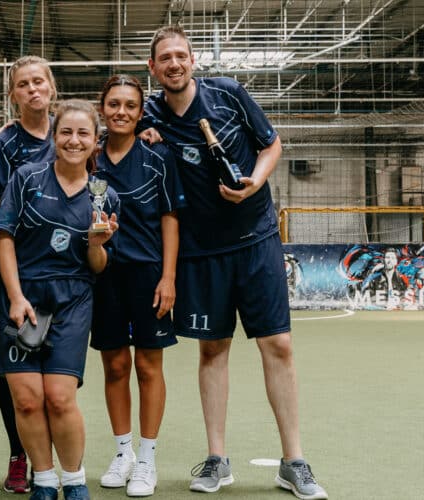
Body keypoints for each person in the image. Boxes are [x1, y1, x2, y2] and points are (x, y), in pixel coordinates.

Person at [139, 25, 327, 499]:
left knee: (278, 344)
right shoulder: (150, 112)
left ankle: (294, 462)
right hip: (201, 250)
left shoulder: (227, 94)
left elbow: (272, 144)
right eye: (165, 58)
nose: (175, 63)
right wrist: (143, 136)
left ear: (193, 60)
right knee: (212, 350)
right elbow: (113, 137)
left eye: (181, 55)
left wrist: (255, 182)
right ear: (153, 68)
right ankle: (217, 460)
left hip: (256, 237)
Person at [0, 99, 118, 500]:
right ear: (53, 136)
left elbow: (98, 266)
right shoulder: (26, 178)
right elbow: (4, 237)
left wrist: (96, 244)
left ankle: (74, 480)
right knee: (27, 401)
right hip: (22, 296)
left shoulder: (104, 196)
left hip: (72, 299)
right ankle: (44, 482)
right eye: (66, 132)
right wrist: (15, 297)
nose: (73, 140)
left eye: (83, 133)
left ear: (95, 141)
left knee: (60, 398)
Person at [90, 75, 185, 498]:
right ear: (102, 109)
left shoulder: (158, 157)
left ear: (140, 112)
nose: (121, 112)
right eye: (114, 104)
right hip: (102, 274)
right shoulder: (90, 158)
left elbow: (170, 218)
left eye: (130, 105)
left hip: (148, 274)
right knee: (114, 367)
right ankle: (123, 453)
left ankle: (147, 460)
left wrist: (169, 276)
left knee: (148, 367)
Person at [0, 55, 58, 494]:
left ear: (51, 87)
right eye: (23, 84)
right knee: (13, 373)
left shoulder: (71, 132)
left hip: (63, 270)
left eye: (39, 81)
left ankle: (50, 456)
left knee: (56, 373)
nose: (33, 89)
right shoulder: (4, 144)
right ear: (13, 94)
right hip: (16, 269)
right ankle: (18, 455)